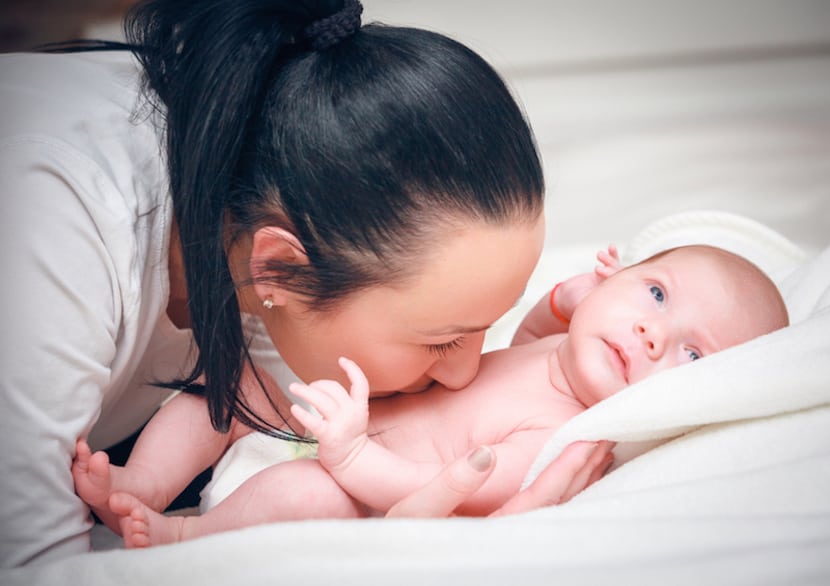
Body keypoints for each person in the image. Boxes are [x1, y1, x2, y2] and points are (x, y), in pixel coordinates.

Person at [0, 0, 613, 567]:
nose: (465, 374)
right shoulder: (49, 224)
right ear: (280, 269)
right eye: (441, 342)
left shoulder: (267, 180)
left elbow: (271, 438)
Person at [72, 244, 789, 547]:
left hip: (348, 476)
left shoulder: (564, 435)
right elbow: (525, 341)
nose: (650, 333)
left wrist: (350, 458)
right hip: (324, 424)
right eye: (655, 293)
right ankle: (144, 482)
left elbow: (447, 487)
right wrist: (559, 306)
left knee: (307, 496)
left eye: (691, 353)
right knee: (237, 381)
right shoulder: (556, 354)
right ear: (616, 277)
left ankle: (184, 535)